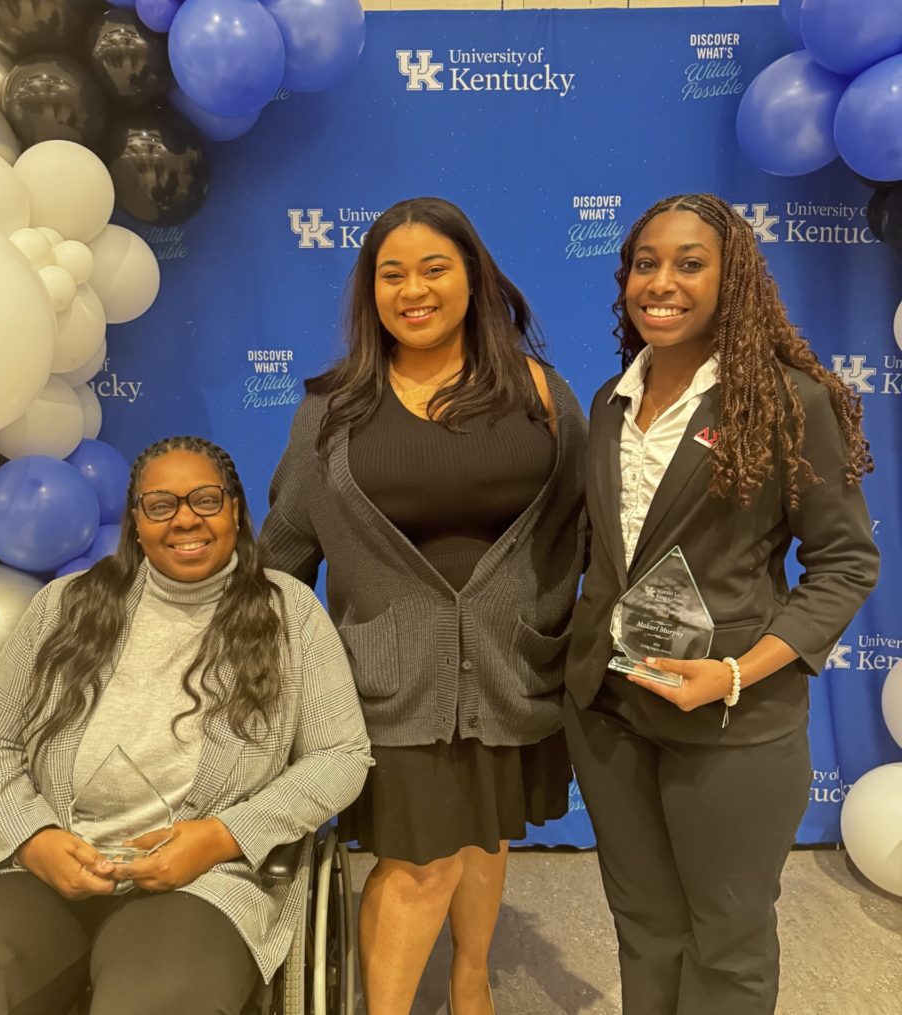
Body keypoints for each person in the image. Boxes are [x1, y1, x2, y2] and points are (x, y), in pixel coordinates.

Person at [0, 435, 372, 1015]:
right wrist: (30, 836)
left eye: (206, 500)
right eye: (161, 505)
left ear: (235, 511)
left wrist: (221, 836)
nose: (185, 519)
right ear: (136, 522)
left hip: (205, 883)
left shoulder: (288, 614)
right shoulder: (67, 605)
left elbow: (341, 755)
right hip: (44, 867)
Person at [260, 196, 586, 1015]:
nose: (414, 289)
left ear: (473, 278)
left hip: (513, 671)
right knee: (418, 862)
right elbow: (286, 545)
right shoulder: (331, 412)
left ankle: (471, 979)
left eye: (435, 267)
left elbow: (592, 525)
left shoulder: (541, 394)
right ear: (370, 292)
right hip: (390, 682)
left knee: (485, 831)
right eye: (390, 273)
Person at [564, 193, 879, 1015]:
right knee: (644, 925)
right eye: (646, 263)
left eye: (689, 263)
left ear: (732, 277)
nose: (661, 282)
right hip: (609, 716)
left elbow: (845, 562)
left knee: (728, 941)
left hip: (731, 723)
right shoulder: (609, 402)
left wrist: (735, 672)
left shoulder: (786, 401)